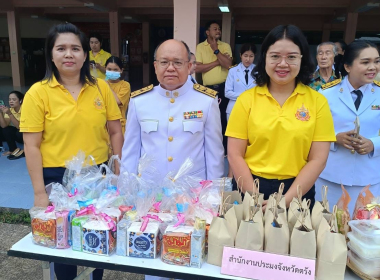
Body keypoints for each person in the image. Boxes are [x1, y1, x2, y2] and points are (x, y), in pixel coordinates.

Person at [20, 23, 123, 280]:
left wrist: (118, 169)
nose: (69, 54)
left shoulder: (101, 88)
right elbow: (31, 146)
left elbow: (115, 131)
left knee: (98, 231)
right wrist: (39, 193)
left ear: (85, 55)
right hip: (56, 177)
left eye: (75, 48)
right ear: (51, 54)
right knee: (62, 239)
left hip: (97, 173)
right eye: (61, 48)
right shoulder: (38, 93)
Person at [226, 24, 336, 210]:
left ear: (302, 59)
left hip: (298, 191)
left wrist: (285, 200)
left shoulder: (318, 102)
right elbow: (235, 154)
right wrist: (254, 197)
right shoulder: (246, 99)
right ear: (265, 58)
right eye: (275, 56)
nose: (283, 64)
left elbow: (318, 159)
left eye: (291, 57)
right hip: (250, 188)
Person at [121, 39, 224, 184]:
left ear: (189, 67)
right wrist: (127, 191)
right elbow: (130, 153)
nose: (170, 68)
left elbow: (214, 154)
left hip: (192, 192)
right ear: (155, 66)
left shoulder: (206, 100)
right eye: (164, 62)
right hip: (149, 192)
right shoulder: (139, 101)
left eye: (177, 62)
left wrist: (213, 194)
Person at [317, 40, 380, 214]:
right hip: (331, 176)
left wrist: (374, 144)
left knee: (364, 229)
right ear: (347, 67)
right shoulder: (326, 94)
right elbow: (312, 131)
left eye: (377, 61)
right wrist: (334, 138)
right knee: (328, 228)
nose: (373, 67)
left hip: (369, 177)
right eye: (365, 62)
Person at [196, 21, 232, 154]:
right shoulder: (200, 47)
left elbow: (228, 64)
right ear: (207, 32)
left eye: (219, 29)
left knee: (223, 118)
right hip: (207, 89)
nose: (218, 31)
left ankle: (224, 149)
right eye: (215, 29)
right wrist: (218, 61)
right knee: (208, 118)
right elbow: (198, 67)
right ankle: (209, 148)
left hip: (224, 88)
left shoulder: (225, 46)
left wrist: (216, 49)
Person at [225, 43, 257, 121]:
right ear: (240, 55)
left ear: (254, 56)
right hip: (235, 108)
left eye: (251, 56)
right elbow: (227, 93)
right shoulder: (233, 71)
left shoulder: (258, 71)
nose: (248, 59)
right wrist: (245, 95)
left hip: (253, 109)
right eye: (245, 56)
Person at [105, 56, 131, 134]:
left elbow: (117, 101)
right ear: (105, 69)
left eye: (115, 70)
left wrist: (107, 86)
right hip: (102, 125)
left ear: (121, 70)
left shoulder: (125, 85)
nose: (112, 72)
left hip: (119, 126)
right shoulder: (99, 84)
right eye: (109, 69)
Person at [0, 91, 24, 159]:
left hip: (26, 134)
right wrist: (0, 113)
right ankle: (12, 149)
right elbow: (4, 126)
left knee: (19, 132)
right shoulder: (10, 110)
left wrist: (10, 114)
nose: (11, 101)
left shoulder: (25, 109)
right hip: (18, 135)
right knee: (6, 129)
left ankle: (25, 150)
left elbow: (20, 127)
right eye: (10, 99)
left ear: (20, 100)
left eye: (14, 99)